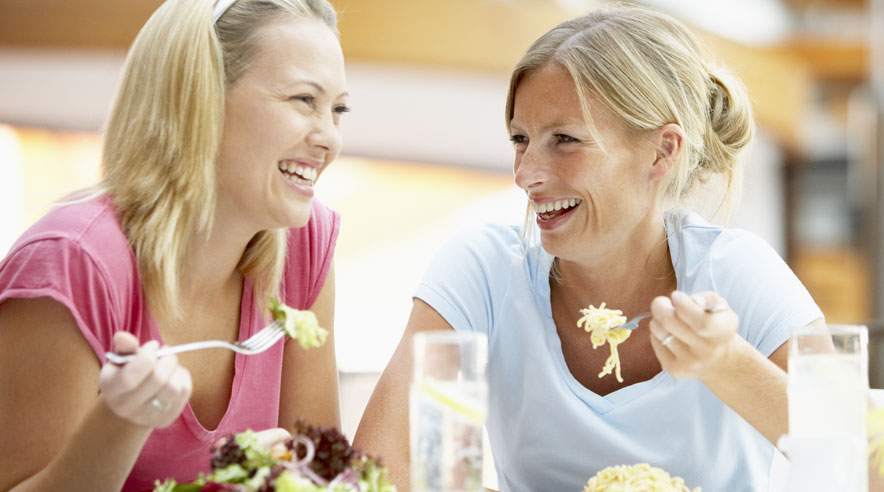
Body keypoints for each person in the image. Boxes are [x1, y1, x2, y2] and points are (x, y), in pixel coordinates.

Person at [354, 5, 823, 491]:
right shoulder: (484, 270)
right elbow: (375, 472)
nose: (525, 174)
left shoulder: (737, 271)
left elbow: (858, 467)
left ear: (662, 151)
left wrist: (726, 363)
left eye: (565, 139)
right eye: (520, 139)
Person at [0, 0, 348, 490]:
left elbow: (322, 476)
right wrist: (121, 422)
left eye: (338, 110)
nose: (330, 139)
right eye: (303, 100)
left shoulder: (303, 245)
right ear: (199, 99)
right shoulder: (70, 263)